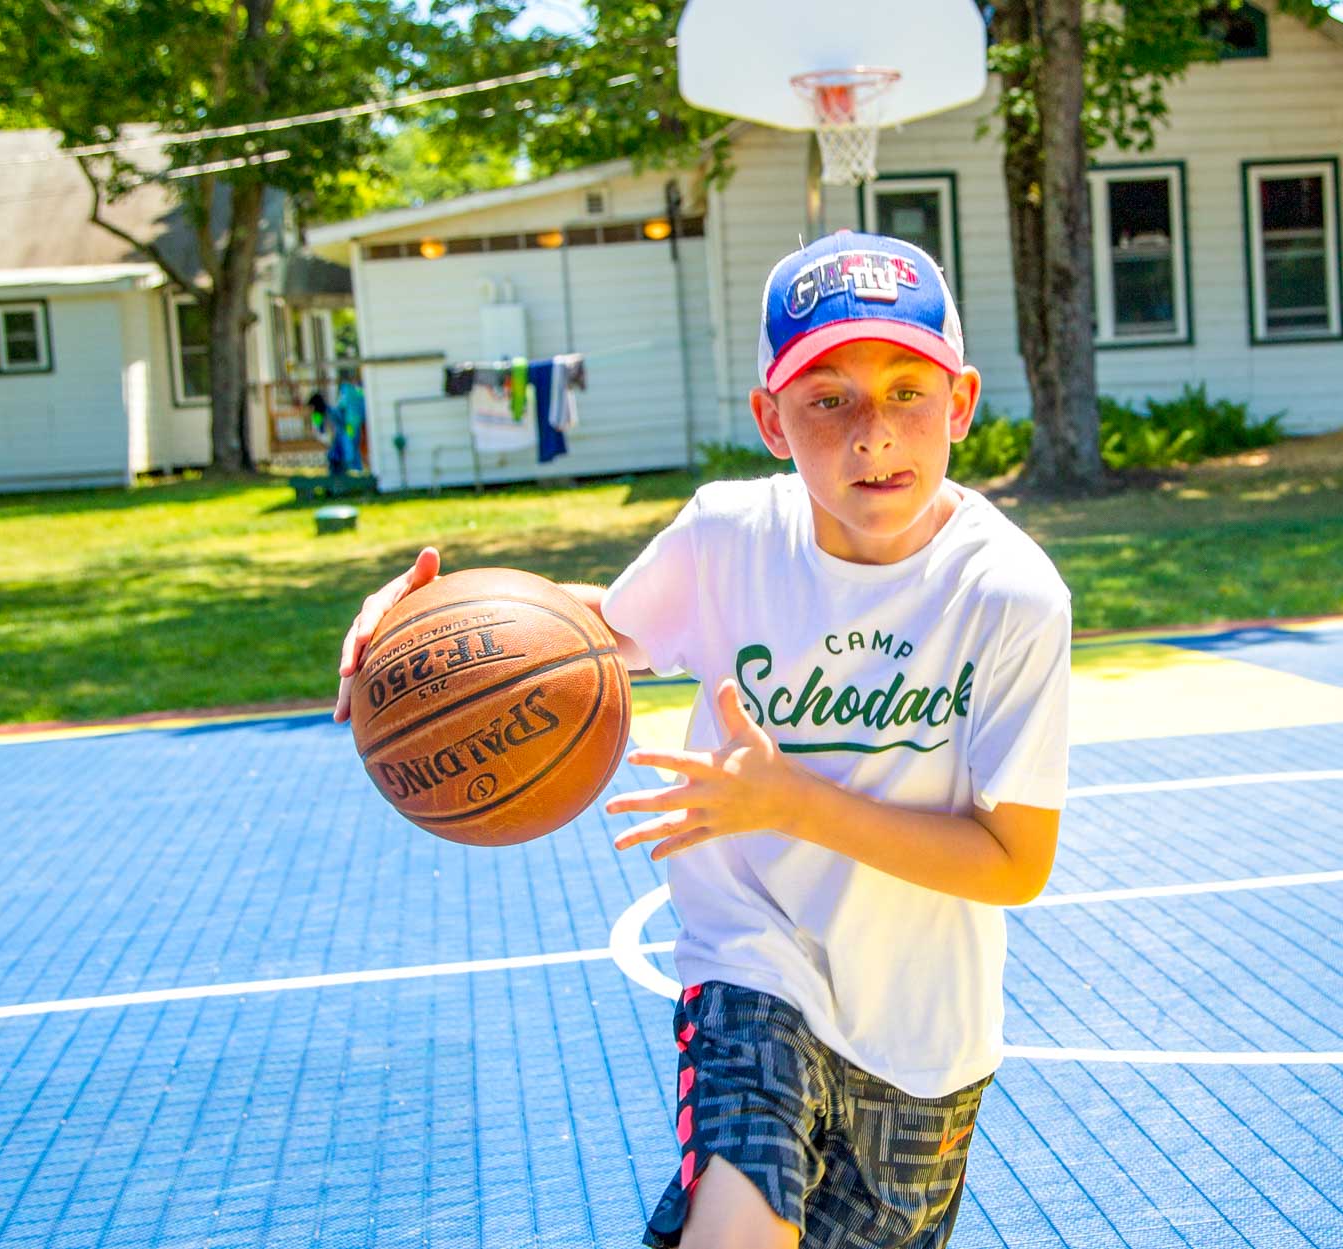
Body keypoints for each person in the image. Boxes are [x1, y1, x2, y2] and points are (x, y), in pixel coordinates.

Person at [330, 231, 1072, 1249]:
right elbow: (575, 643)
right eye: (828, 398)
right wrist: (419, 635)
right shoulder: (729, 537)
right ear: (772, 418)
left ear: (963, 401)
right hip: (750, 970)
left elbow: (1016, 862)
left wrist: (794, 802)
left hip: (925, 1034)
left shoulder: (1008, 592)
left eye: (907, 391)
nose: (873, 432)